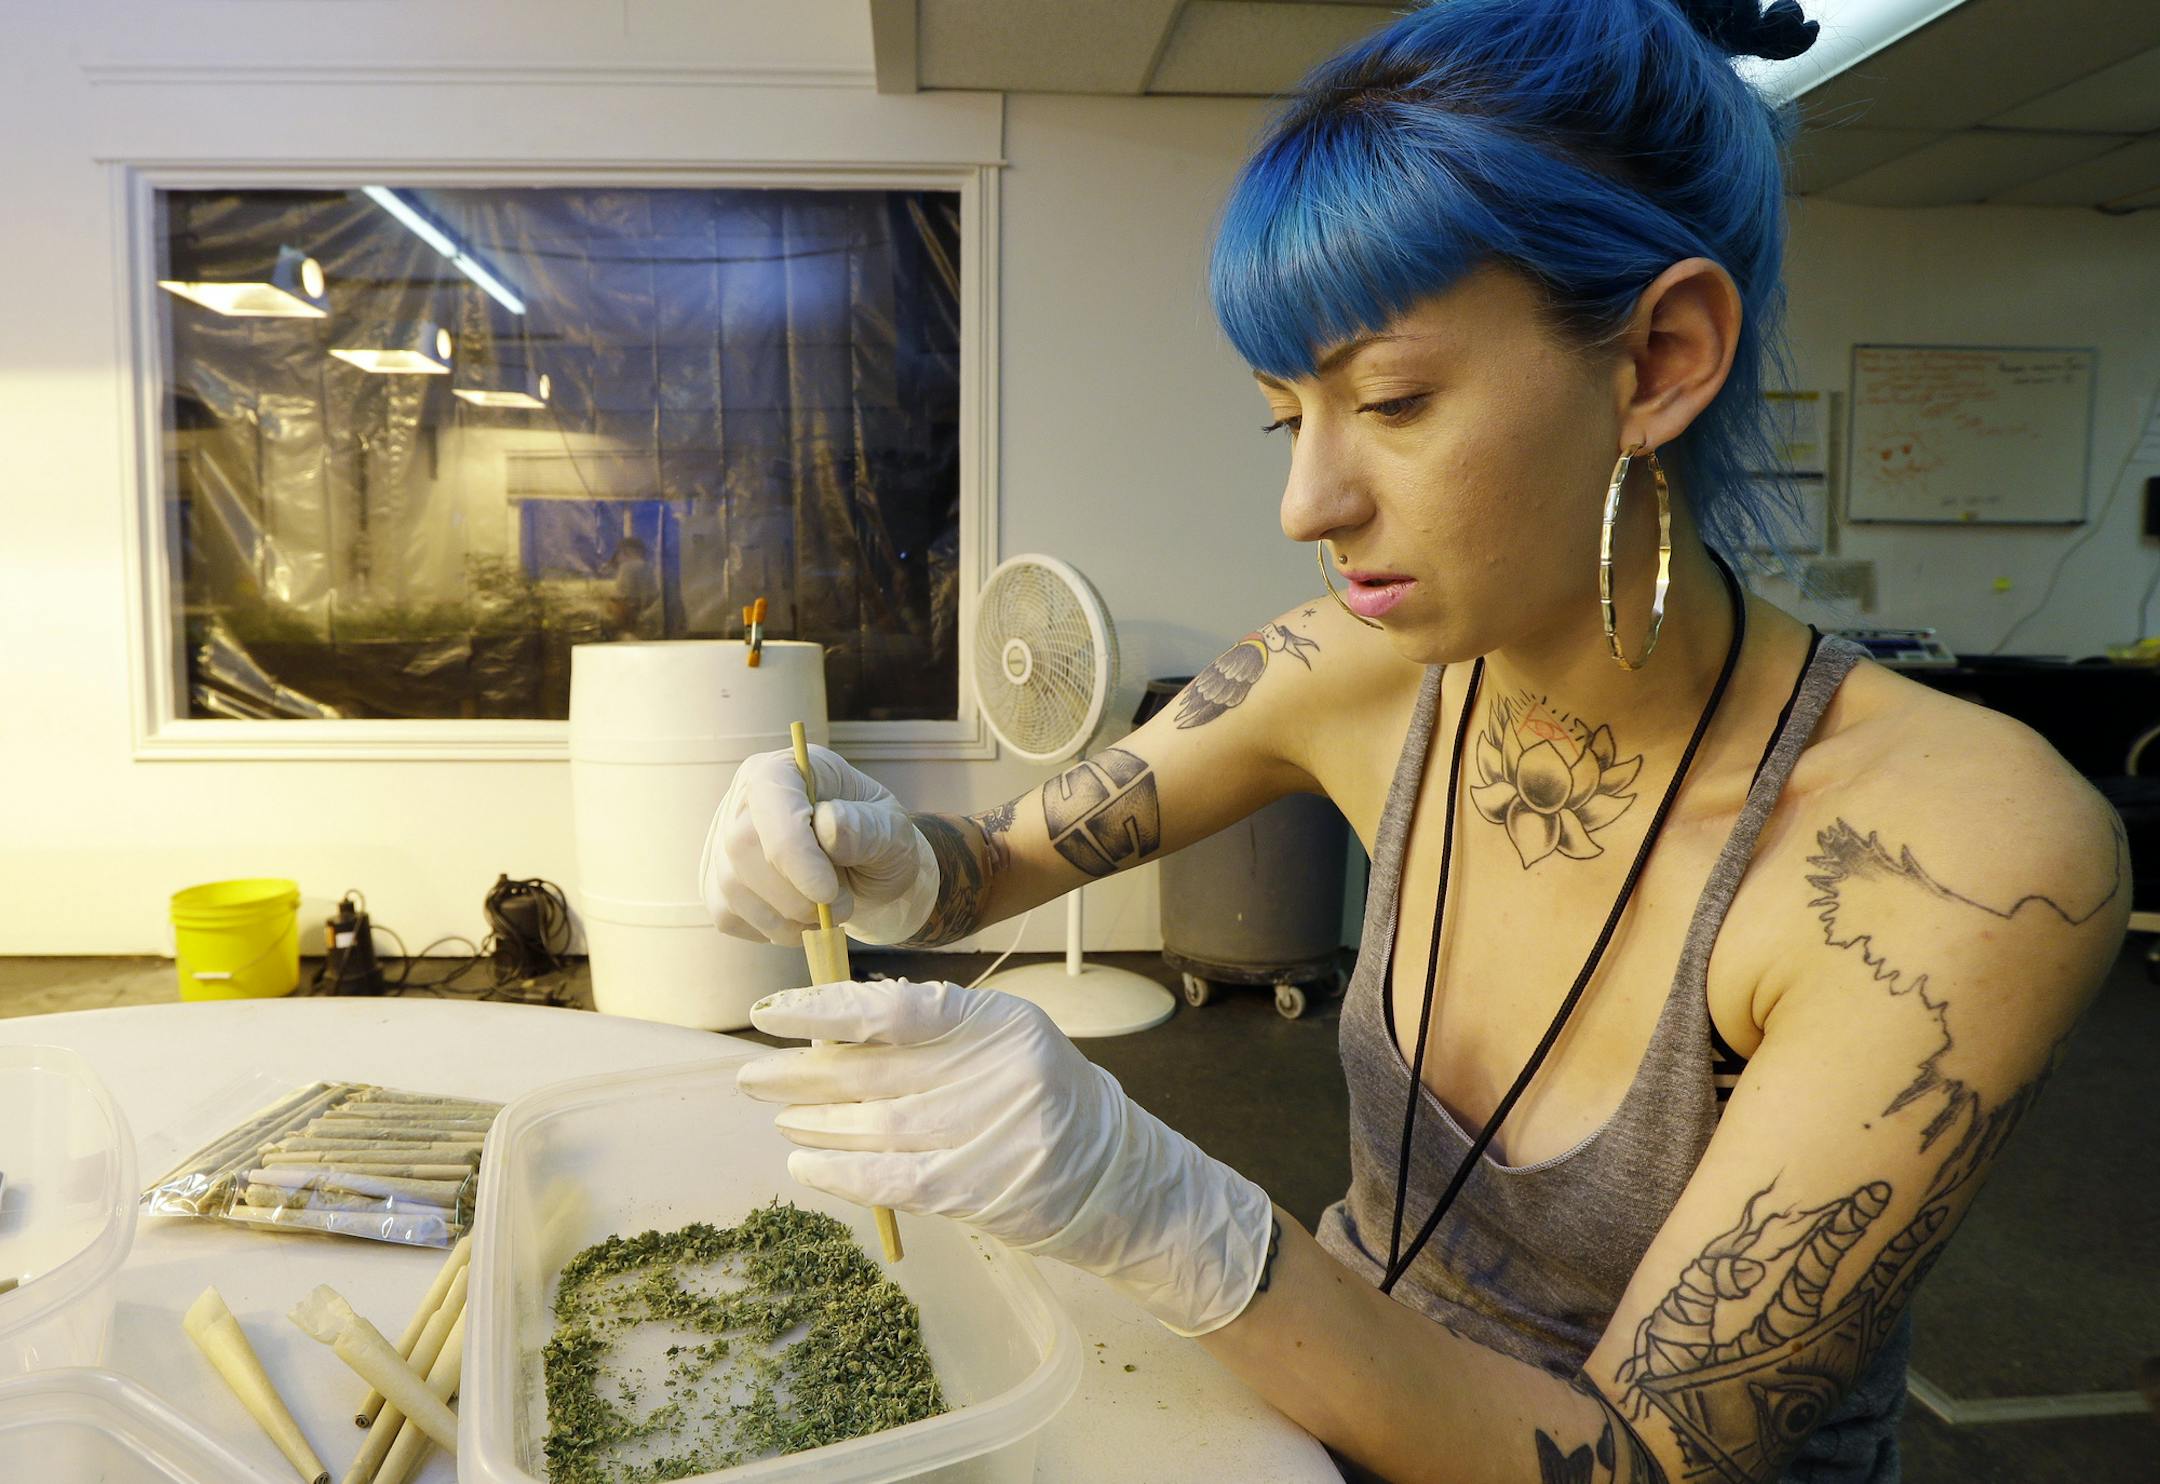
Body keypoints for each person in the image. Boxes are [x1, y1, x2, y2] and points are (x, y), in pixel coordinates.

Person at [698, 3, 2128, 1480]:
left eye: (1390, 400)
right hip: (1314, 1427)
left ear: (1659, 361)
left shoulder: (1951, 859)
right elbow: (986, 867)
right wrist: (862, 846)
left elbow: (1649, 1463)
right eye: (1286, 419)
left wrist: (1173, 1220)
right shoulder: (1354, 669)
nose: (1305, 507)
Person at [608, 535, 662, 639]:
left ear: (626, 552)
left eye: (618, 553)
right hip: (649, 620)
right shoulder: (647, 566)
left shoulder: (627, 567)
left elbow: (623, 598)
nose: (617, 558)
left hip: (633, 623)